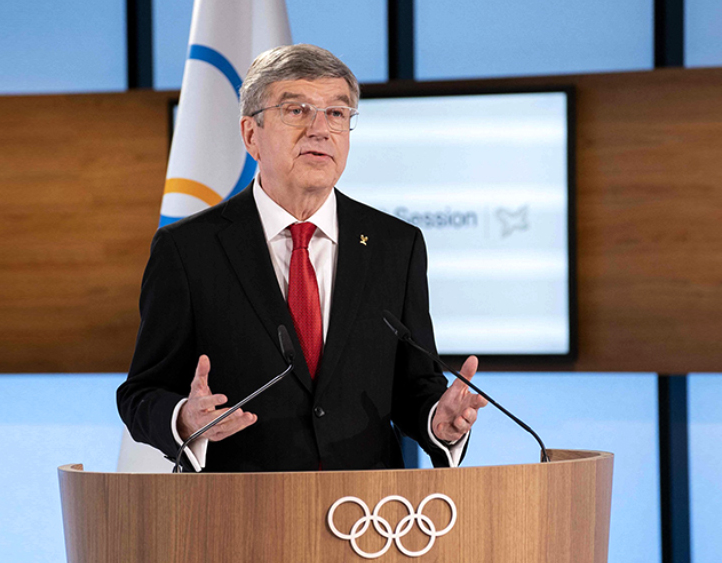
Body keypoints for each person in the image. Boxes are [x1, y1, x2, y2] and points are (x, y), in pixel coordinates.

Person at [117, 44, 487, 472]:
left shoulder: (395, 245)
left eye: (337, 113)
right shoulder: (188, 249)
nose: (320, 129)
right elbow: (141, 393)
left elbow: (415, 383)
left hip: (368, 503)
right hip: (236, 502)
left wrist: (439, 422)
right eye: (296, 110)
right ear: (251, 134)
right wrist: (184, 418)